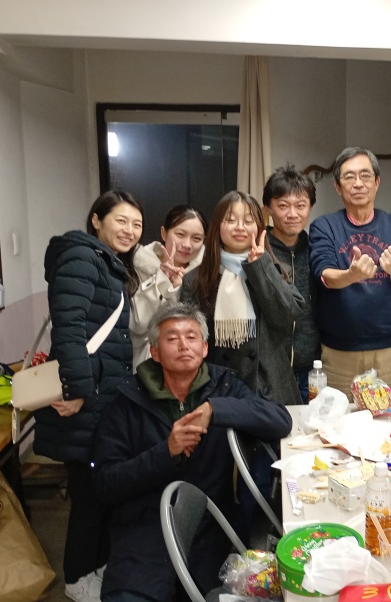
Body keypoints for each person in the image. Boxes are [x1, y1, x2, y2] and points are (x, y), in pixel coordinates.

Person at [94, 302, 292, 602]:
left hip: (210, 524)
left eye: (191, 337)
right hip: (145, 527)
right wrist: (166, 452)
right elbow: (106, 483)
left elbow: (280, 420)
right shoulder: (128, 401)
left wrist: (216, 410)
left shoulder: (224, 386)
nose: (183, 345)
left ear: (204, 347)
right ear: (155, 352)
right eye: (172, 338)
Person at [37, 190, 143, 602]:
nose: (130, 230)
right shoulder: (82, 257)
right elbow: (68, 329)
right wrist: (79, 391)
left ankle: (96, 566)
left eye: (136, 224)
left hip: (102, 397)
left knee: (98, 490)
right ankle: (77, 579)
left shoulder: (106, 263)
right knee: (87, 495)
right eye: (121, 220)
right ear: (97, 220)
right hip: (86, 398)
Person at [309, 147, 391, 399]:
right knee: (337, 418)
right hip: (339, 351)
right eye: (349, 176)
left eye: (365, 175)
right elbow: (324, 274)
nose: (358, 183)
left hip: (387, 350)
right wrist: (352, 275)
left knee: (384, 418)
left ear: (377, 182)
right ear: (338, 186)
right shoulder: (324, 227)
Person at [182, 191, 304, 406]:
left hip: (270, 389)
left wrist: (260, 267)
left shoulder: (275, 270)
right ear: (217, 227)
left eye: (248, 221)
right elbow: (191, 340)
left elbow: (288, 317)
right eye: (231, 220)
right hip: (219, 389)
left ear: (259, 227)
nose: (240, 227)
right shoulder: (196, 279)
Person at [262, 165, 321, 402]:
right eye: (283, 205)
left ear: (310, 208)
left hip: (312, 369)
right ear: (268, 209)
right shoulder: (258, 251)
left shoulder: (317, 249)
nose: (292, 214)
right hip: (269, 371)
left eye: (300, 205)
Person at [130, 205, 206, 369]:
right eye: (180, 234)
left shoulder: (204, 275)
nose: (187, 244)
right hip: (144, 365)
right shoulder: (138, 267)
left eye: (196, 238)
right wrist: (161, 281)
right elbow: (137, 324)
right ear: (164, 233)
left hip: (191, 368)